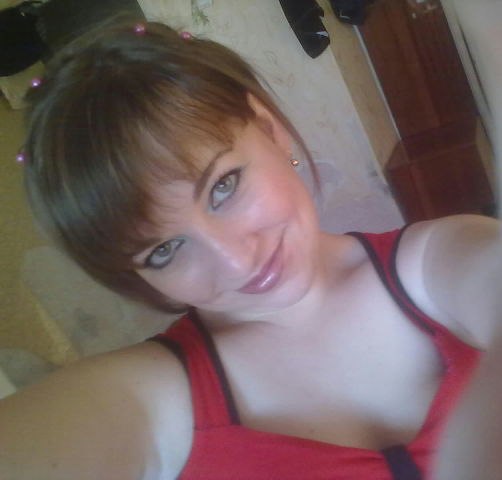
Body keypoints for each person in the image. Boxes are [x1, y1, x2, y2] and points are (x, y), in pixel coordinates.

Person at [0, 19, 501, 480]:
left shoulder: (429, 263)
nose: (237, 262)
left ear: (268, 129)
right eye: (164, 250)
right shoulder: (152, 396)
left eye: (223, 187)